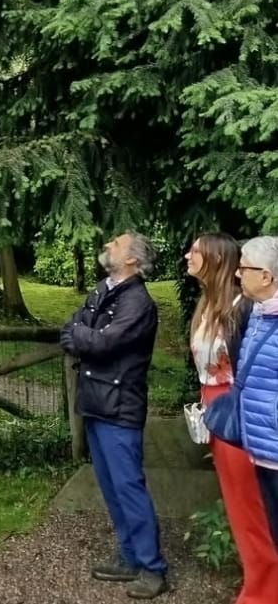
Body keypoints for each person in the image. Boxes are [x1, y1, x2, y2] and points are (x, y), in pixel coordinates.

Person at [60, 231, 168, 600]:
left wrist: (83, 336)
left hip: (119, 406)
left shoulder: (137, 302)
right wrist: (83, 335)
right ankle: (128, 557)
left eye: (117, 244)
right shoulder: (103, 290)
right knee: (111, 487)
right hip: (96, 402)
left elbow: (104, 342)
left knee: (128, 487)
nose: (109, 244)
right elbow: (70, 329)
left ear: (133, 259)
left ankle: (153, 568)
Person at [186, 233, 278, 604]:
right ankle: (256, 583)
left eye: (196, 250)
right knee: (239, 504)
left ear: (215, 259)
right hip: (219, 408)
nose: (188, 255)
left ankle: (264, 589)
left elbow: (247, 370)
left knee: (251, 506)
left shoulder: (241, 310)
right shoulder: (208, 305)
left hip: (244, 412)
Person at [236, 236, 278, 558]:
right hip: (264, 449)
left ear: (266, 276)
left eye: (243, 267)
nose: (237, 274)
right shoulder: (258, 312)